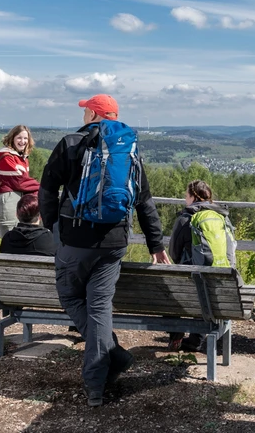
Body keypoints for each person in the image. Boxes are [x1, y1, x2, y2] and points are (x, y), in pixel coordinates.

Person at [39, 93, 170, 407]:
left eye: (87, 110)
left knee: (70, 296)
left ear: (93, 115)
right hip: (114, 243)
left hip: (75, 239)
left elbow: (46, 189)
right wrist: (156, 244)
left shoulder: (71, 143)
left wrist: (54, 227)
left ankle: (109, 366)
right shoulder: (129, 150)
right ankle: (106, 368)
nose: (84, 115)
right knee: (99, 308)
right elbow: (145, 202)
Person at [166, 179, 229, 352]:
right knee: (204, 293)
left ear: (193, 197)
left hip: (188, 287)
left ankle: (176, 334)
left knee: (167, 291)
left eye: (186, 196)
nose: (185, 200)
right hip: (219, 286)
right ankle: (194, 341)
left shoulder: (185, 219)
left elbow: (173, 252)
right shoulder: (221, 217)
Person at [0, 125, 40, 233]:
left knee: (16, 240)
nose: (23, 141)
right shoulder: (6, 157)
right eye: (19, 138)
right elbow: (20, 182)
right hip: (8, 203)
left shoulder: (19, 157)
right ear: (12, 138)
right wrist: (43, 186)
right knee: (11, 240)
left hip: (15, 202)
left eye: (25, 138)